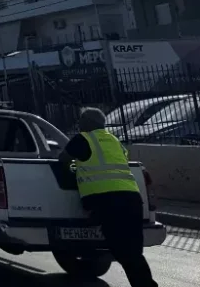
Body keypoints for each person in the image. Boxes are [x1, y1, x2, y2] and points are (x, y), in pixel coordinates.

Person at [60, 107, 157, 287]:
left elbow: (63, 160)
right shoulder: (114, 140)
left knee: (123, 251)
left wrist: (74, 174)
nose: (79, 124)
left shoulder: (83, 139)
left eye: (81, 120)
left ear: (88, 123)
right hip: (132, 199)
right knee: (133, 252)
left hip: (108, 202)